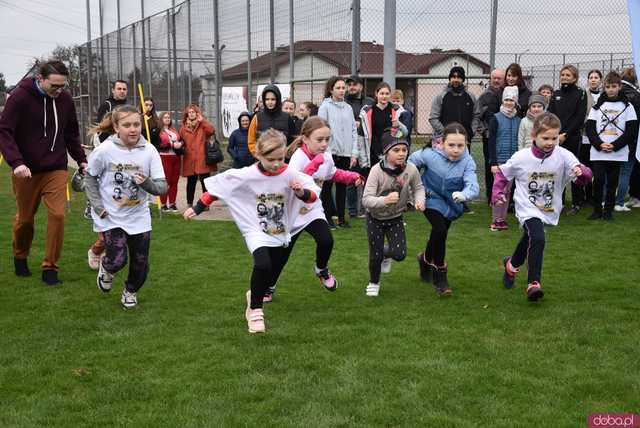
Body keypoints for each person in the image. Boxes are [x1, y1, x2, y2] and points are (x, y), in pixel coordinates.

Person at [183, 129, 320, 334]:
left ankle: (253, 296)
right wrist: (197, 208)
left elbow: (312, 198)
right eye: (270, 159)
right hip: (254, 227)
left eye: (280, 158)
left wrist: (300, 191)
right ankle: (256, 311)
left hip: (280, 229)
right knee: (262, 264)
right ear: (258, 155)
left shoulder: (290, 173)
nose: (276, 164)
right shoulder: (247, 174)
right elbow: (219, 188)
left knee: (270, 270)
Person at [0, 60, 88, 285]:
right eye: (54, 86)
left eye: (63, 86)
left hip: (56, 168)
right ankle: (20, 255)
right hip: (26, 170)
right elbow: (5, 132)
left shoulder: (65, 100)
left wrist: (81, 160)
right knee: (25, 220)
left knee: (58, 215)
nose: (59, 91)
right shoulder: (20, 98)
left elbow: (71, 133)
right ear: (41, 79)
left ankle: (50, 268)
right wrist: (17, 162)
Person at [494, 112, 592, 301]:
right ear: (534, 136)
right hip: (526, 207)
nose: (550, 142)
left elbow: (583, 177)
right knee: (537, 237)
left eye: (554, 138)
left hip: (549, 208)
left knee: (529, 238)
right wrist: (498, 193)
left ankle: (511, 265)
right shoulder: (521, 156)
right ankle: (533, 283)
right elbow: (503, 174)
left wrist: (582, 173)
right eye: (545, 138)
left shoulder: (564, 155)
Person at [266, 117, 364, 302]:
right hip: (292, 211)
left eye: (327, 139)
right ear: (305, 139)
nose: (324, 144)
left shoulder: (325, 156)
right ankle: (268, 288)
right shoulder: (298, 158)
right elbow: (299, 184)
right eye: (319, 140)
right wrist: (315, 163)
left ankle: (321, 269)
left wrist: (352, 176)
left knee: (326, 240)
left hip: (311, 209)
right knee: (281, 255)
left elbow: (332, 173)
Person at [84, 105, 167, 308]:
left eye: (137, 124)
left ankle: (130, 292)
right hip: (111, 215)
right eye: (127, 125)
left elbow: (162, 187)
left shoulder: (149, 151)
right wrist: (97, 205)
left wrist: (146, 182)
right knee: (118, 259)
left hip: (139, 215)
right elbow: (90, 177)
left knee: (141, 263)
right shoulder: (104, 151)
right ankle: (106, 268)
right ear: (115, 127)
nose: (133, 129)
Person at [409, 122, 479, 297]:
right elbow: (410, 164)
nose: (456, 150)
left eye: (460, 145)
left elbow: (473, 184)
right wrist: (413, 186)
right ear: (442, 142)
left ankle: (425, 259)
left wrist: (465, 195)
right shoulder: (429, 154)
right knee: (440, 229)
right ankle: (440, 275)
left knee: (440, 232)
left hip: (452, 202)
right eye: (451, 145)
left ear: (466, 144)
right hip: (429, 197)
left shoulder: (467, 161)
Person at [361, 131, 425, 297]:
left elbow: (418, 187)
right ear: (386, 152)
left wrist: (420, 200)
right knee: (375, 256)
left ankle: (385, 254)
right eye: (396, 150)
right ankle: (374, 282)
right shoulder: (376, 171)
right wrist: (385, 200)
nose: (402, 153)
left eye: (404, 149)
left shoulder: (410, 169)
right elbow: (366, 200)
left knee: (400, 254)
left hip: (396, 217)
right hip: (375, 218)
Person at [585, 71, 638, 221]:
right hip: (598, 151)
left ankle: (608, 211)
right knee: (599, 181)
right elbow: (590, 128)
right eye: (608, 86)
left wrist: (614, 145)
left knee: (612, 183)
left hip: (617, 152)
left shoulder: (628, 107)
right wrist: (599, 144)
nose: (611, 89)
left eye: (614, 86)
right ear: (604, 87)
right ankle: (597, 210)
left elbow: (631, 131)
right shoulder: (597, 107)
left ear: (619, 86)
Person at [317, 76, 360, 228]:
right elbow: (321, 130)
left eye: (343, 88)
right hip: (330, 153)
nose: (342, 91)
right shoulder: (325, 107)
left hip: (346, 153)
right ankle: (327, 218)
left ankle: (341, 218)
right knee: (328, 186)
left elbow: (354, 131)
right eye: (338, 88)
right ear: (331, 90)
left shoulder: (348, 108)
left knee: (343, 186)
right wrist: (326, 152)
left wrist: (354, 152)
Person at [548, 65, 588, 214]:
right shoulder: (556, 93)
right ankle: (560, 202)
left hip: (572, 138)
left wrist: (566, 134)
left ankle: (577, 203)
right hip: (555, 137)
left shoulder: (581, 94)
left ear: (575, 78)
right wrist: (555, 134)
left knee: (573, 169)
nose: (564, 77)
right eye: (563, 74)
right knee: (557, 169)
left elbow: (579, 117)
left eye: (568, 75)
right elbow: (551, 114)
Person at [488, 86, 522, 231]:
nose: (509, 103)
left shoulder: (519, 120)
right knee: (499, 190)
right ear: (503, 101)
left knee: (508, 191)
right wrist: (494, 162)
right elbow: (491, 141)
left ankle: (503, 219)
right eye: (507, 99)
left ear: (516, 102)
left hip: (513, 160)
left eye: (512, 100)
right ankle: (496, 219)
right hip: (500, 160)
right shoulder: (495, 118)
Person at [86, 112, 116, 270]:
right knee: (106, 236)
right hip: (101, 191)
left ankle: (109, 256)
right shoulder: (102, 141)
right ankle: (95, 251)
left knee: (119, 235)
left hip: (118, 194)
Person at [359, 82, 408, 173]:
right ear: (376, 94)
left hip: (391, 153)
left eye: (387, 94)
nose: (384, 96)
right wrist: (364, 160)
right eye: (381, 93)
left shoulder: (397, 111)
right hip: (373, 153)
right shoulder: (367, 112)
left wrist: (398, 125)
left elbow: (404, 134)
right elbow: (361, 137)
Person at [345, 75, 374, 217]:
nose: (351, 87)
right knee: (351, 178)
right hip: (349, 146)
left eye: (354, 84)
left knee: (368, 178)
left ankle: (367, 209)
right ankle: (352, 211)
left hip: (367, 146)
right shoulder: (343, 102)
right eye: (349, 84)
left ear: (361, 87)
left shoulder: (369, 102)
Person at [429, 66, 480, 144]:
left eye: (459, 77)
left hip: (465, 140)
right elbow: (433, 118)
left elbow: (476, 116)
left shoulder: (471, 97)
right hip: (445, 140)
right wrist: (445, 133)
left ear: (463, 79)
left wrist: (471, 132)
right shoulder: (441, 96)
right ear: (450, 78)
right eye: (453, 77)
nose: (456, 80)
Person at [477, 68, 505, 203]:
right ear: (490, 79)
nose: (496, 80)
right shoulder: (485, 96)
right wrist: (483, 131)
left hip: (504, 137)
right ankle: (490, 196)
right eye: (494, 78)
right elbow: (477, 115)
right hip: (489, 137)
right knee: (490, 167)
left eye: (499, 78)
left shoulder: (507, 94)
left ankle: (504, 195)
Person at [179, 104, 216, 208]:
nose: (191, 114)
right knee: (191, 183)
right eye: (189, 112)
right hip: (189, 159)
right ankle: (189, 204)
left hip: (202, 158)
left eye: (193, 112)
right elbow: (180, 140)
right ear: (187, 114)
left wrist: (202, 121)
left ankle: (206, 204)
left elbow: (212, 130)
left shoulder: (203, 126)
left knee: (205, 183)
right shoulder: (183, 128)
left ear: (197, 113)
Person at [247, 85, 297, 155]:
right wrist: (258, 155)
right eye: (267, 99)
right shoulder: (257, 117)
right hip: (262, 161)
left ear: (278, 99)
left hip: (282, 161)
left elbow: (294, 139)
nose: (270, 102)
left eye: (273, 99)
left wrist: (287, 153)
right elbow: (251, 141)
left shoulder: (287, 118)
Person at [616, 67, 640, 210]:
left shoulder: (614, 92)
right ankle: (620, 202)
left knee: (611, 170)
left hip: (613, 138)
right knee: (626, 170)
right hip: (632, 139)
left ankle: (606, 200)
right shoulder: (636, 96)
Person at [581, 69, 603, 207]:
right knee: (586, 167)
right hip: (584, 136)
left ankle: (597, 196)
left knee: (598, 169)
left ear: (600, 80)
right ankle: (587, 196)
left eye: (596, 77)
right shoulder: (584, 95)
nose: (593, 79)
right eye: (591, 77)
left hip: (600, 137)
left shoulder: (604, 95)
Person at [158, 111, 183, 212]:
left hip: (175, 157)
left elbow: (181, 139)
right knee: (165, 181)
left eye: (168, 117)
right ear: (161, 119)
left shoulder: (173, 130)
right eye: (165, 117)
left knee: (174, 181)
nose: (167, 119)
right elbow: (160, 143)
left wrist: (180, 144)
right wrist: (172, 145)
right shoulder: (159, 131)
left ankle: (172, 203)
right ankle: (163, 204)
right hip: (165, 157)